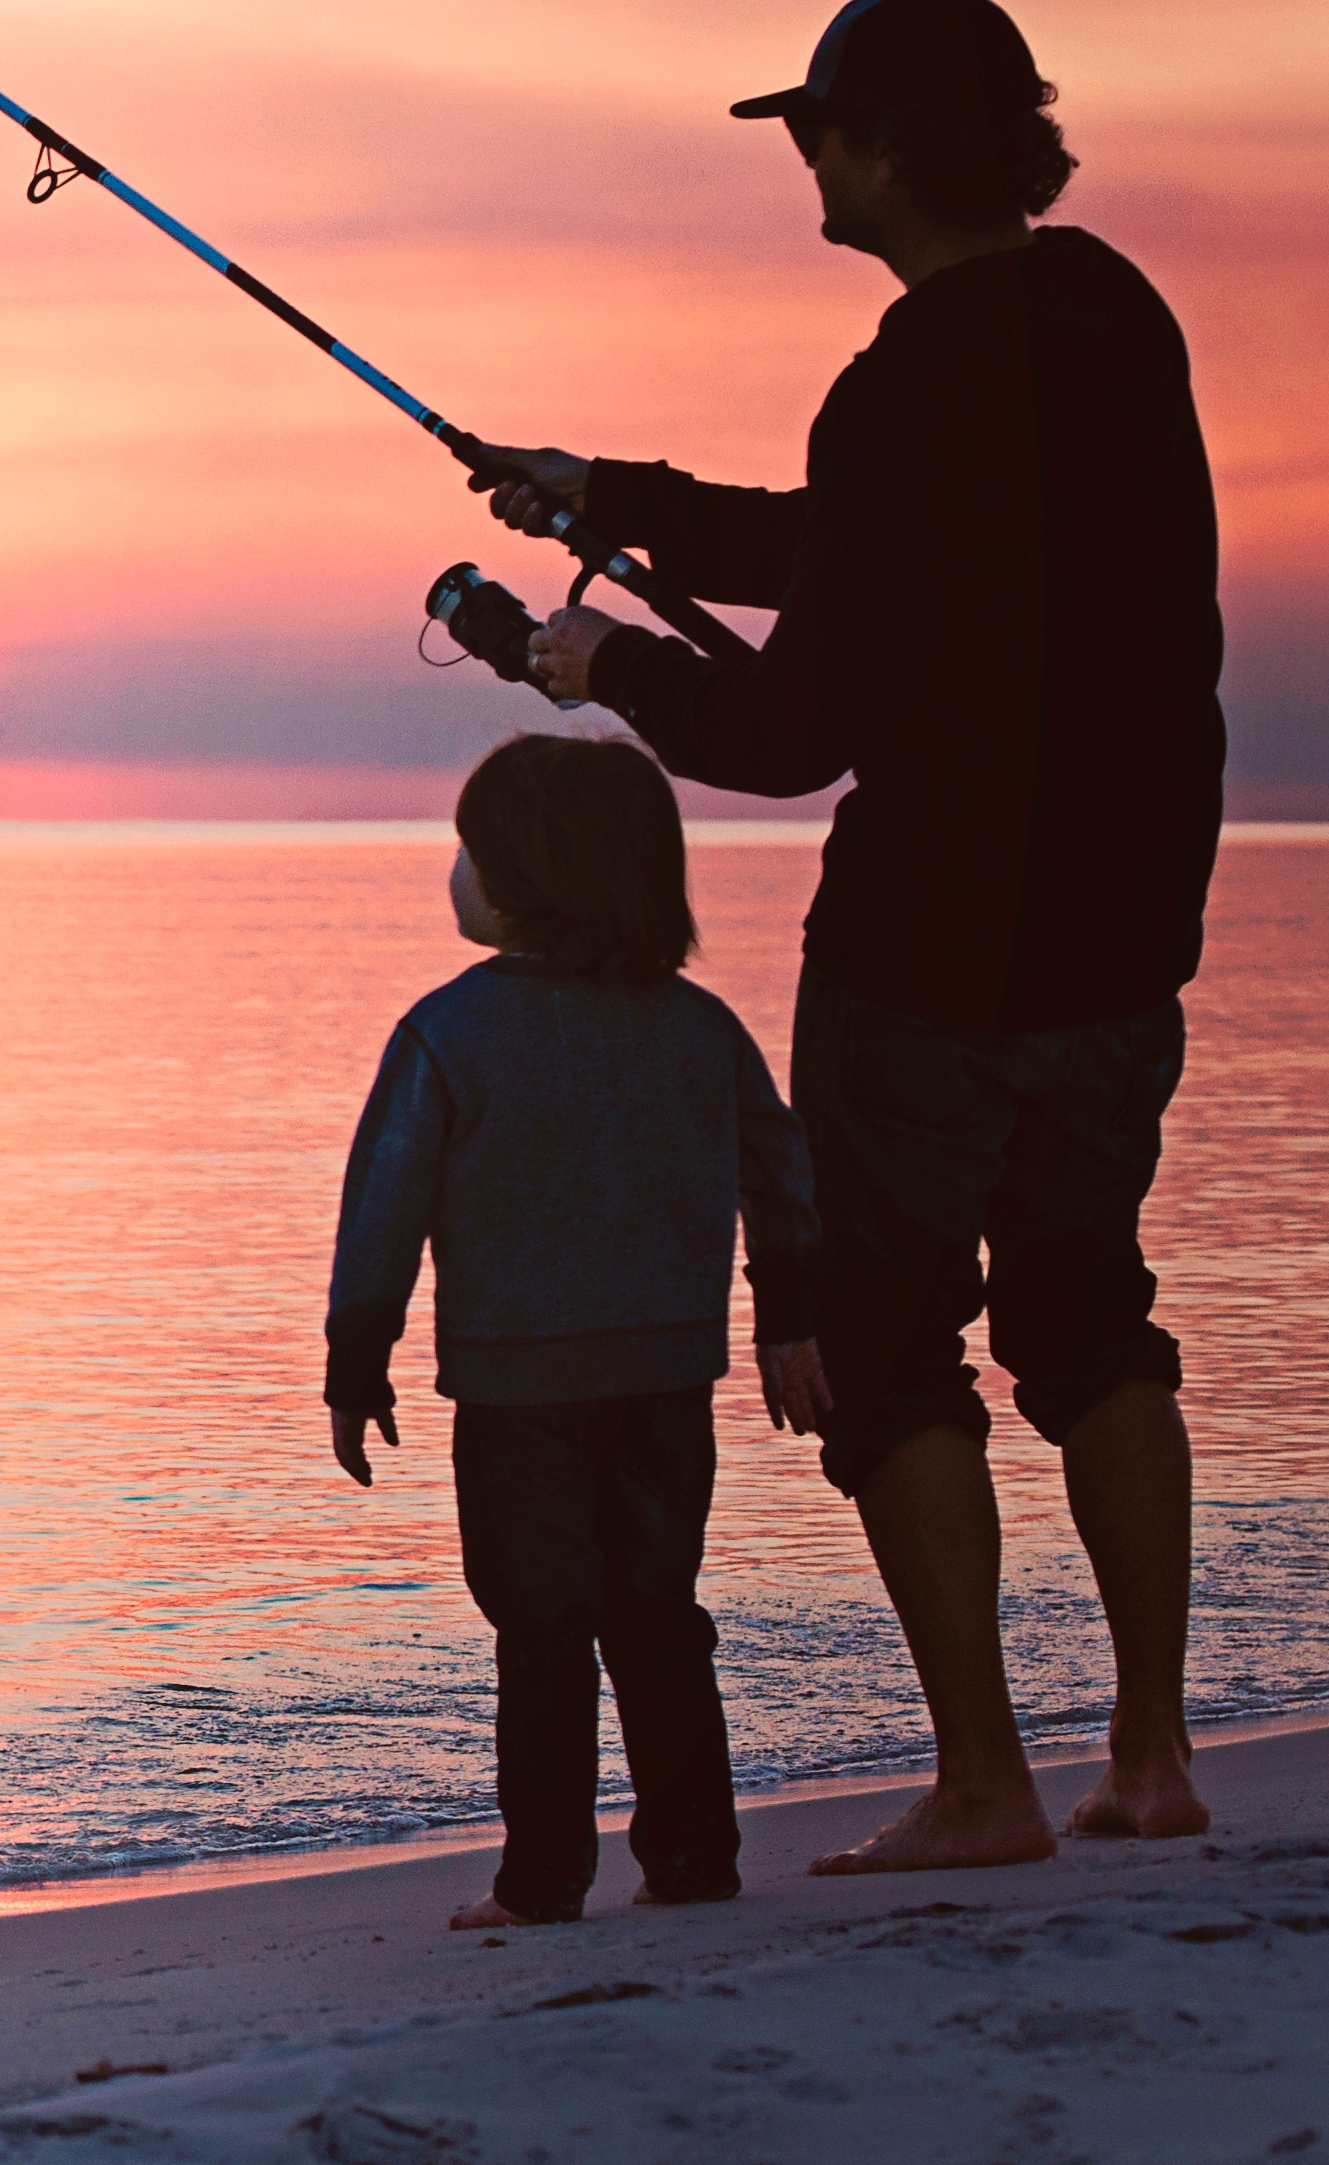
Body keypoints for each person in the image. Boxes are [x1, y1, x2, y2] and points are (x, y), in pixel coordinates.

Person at [477, 0, 1227, 1874]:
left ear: (885, 142)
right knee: (1089, 1320)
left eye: (816, 127)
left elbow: (790, 732)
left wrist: (594, 663)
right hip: (1121, 937)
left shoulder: (899, 384)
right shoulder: (1110, 319)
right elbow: (878, 542)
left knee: (889, 1354)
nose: (801, 158)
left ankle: (980, 1779)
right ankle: (1146, 1754)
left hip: (922, 963)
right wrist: (617, 502)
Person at [327, 732, 827, 1932]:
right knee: (658, 1614)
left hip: (517, 1391)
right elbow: (785, 1175)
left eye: (470, 849)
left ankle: (544, 1879)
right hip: (667, 1374)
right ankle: (695, 1856)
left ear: (525, 876)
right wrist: (790, 1319)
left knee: (540, 1629)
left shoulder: (449, 1031)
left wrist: (358, 1358)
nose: (454, 870)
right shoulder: (699, 1025)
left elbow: (386, 1199)